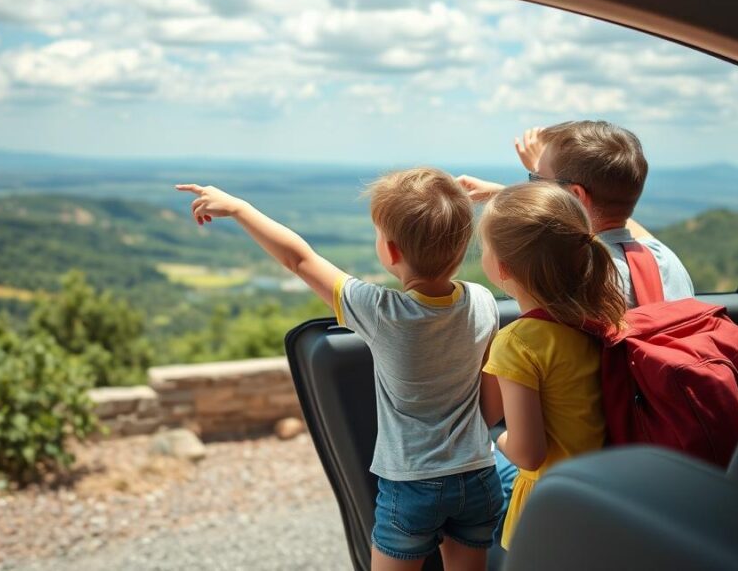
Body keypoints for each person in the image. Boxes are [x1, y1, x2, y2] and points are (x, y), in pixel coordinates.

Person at [176, 168, 502, 571]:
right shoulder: (484, 302)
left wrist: (240, 209)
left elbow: (298, 259)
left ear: (393, 252)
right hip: (478, 476)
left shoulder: (382, 312)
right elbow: (492, 403)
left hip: (412, 485)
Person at [477, 182, 628, 549]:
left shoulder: (518, 344)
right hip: (601, 493)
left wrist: (496, 439)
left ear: (503, 267)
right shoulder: (602, 319)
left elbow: (529, 453)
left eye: (483, 247)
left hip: (546, 504)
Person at [458, 121, 694, 308]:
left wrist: (506, 197)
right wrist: (526, 183)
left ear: (576, 195)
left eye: (537, 180)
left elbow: (502, 273)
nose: (535, 187)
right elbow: (616, 210)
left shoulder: (575, 274)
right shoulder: (663, 259)